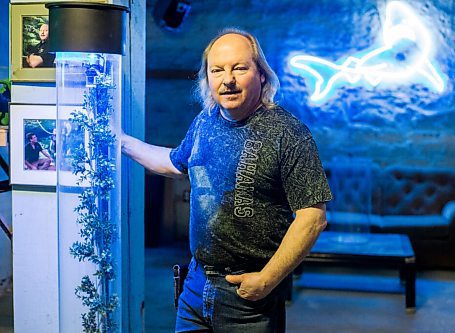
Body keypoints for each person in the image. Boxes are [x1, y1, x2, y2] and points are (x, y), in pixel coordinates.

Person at [122, 28, 332, 332]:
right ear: (207, 78)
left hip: (247, 299)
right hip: (195, 286)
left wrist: (266, 280)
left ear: (261, 75)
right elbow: (173, 162)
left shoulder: (288, 132)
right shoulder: (204, 122)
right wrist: (121, 142)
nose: (228, 79)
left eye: (239, 68)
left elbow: (312, 218)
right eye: (217, 70)